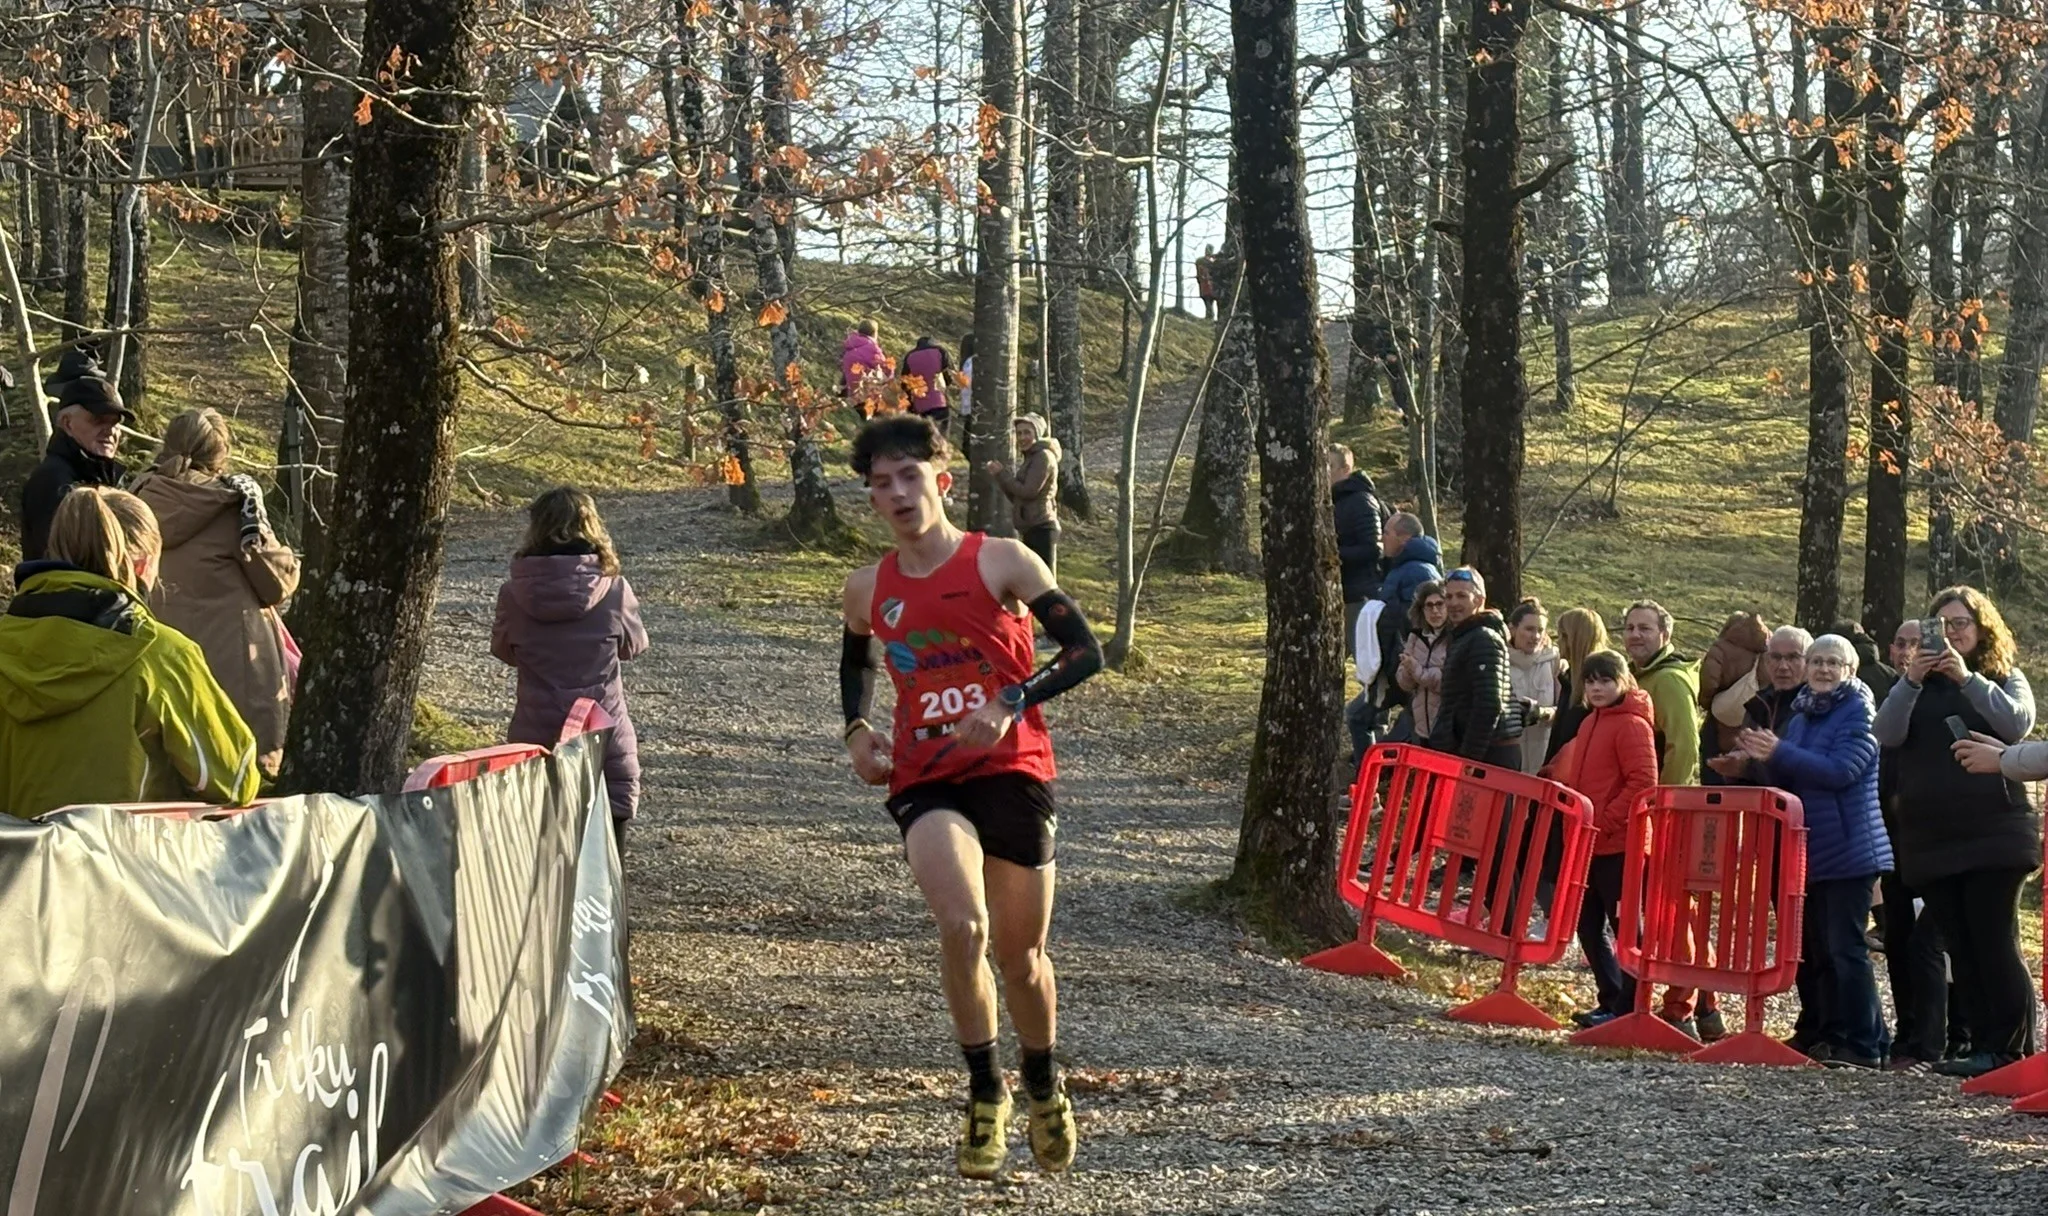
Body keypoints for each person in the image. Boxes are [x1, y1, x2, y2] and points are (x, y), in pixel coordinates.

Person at [839, 414, 1104, 1179]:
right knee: (963, 926)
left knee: (1022, 959)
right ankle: (986, 1091)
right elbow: (856, 664)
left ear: (942, 481)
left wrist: (1010, 700)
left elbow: (1085, 651)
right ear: (872, 499)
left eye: (909, 476)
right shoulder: (867, 588)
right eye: (882, 484)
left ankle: (1043, 1082)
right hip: (926, 777)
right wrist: (857, 731)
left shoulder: (1003, 561)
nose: (898, 493)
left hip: (1014, 770)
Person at [0, 487, 259, 817]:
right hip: (120, 850)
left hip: (15, 849)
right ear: (141, 567)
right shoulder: (160, 653)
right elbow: (236, 781)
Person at [1875, 585, 2038, 1079]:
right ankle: (1983, 1046)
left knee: (1994, 940)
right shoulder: (1915, 685)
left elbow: (2017, 724)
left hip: (1994, 833)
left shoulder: (2003, 676)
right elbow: (1886, 732)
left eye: (1960, 624)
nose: (1949, 634)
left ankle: (2012, 1050)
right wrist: (1911, 679)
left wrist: (1966, 678)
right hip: (1932, 838)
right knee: (1961, 947)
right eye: (1940, 626)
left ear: (1982, 629)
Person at [1731, 634, 1893, 1068]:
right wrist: (1752, 762)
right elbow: (1790, 773)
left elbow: (1842, 771)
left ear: (1850, 671)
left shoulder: (1859, 711)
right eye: (1817, 661)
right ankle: (1847, 1036)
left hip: (1849, 847)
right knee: (1821, 949)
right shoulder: (1804, 713)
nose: (1822, 670)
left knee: (1846, 950)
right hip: (1811, 849)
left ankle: (1864, 1046)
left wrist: (1779, 750)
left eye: (1832, 663)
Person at [132, 409, 302, 777]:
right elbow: (277, 583)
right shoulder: (235, 507)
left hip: (158, 670)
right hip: (234, 678)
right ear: (221, 455)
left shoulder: (135, 503)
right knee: (240, 777)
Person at [491, 487, 650, 845]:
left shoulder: (512, 595)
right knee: (608, 863)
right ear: (591, 525)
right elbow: (633, 647)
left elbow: (504, 651)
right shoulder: (614, 590)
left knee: (539, 859)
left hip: (536, 741)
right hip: (602, 736)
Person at [1620, 598, 1721, 1041]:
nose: (1635, 635)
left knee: (1674, 912)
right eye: (1629, 628)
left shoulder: (1669, 682)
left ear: (1665, 634)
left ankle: (1680, 1009)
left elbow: (1684, 747)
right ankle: (1707, 1006)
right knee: (1677, 912)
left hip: (1673, 813)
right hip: (1657, 810)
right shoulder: (1638, 676)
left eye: (1645, 628)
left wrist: (1664, 805)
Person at [1542, 649, 1656, 1028]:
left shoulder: (1633, 725)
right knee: (1587, 924)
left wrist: (1603, 821)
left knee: (1625, 926)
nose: (1597, 688)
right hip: (1587, 840)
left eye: (1605, 680)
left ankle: (1632, 1004)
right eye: (1590, 681)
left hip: (1620, 843)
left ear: (1623, 681)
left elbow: (1643, 782)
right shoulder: (1590, 722)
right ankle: (1611, 997)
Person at [1880, 618, 1963, 1069]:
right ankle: (1910, 1032)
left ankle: (1952, 1036)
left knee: (1937, 941)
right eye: (1901, 643)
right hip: (1895, 841)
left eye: (1918, 642)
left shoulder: (1947, 696)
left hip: (1940, 838)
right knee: (1898, 939)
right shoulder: (1892, 697)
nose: (1909, 651)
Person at [21, 375, 131, 561]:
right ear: (67, 423)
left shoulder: (103, 474)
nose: (110, 431)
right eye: (98, 420)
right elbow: (61, 557)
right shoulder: (53, 481)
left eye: (115, 423)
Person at [1430, 568, 1521, 768]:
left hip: (1489, 755)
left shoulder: (1482, 638)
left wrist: (1469, 760)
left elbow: (1489, 703)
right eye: (1449, 597)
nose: (1453, 603)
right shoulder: (1464, 637)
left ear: (1479, 600)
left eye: (1462, 596)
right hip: (1479, 750)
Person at [1703, 625, 1811, 782]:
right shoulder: (1758, 704)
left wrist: (1749, 768)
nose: (1783, 666)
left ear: (1808, 662)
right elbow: (1746, 755)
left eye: (1793, 657)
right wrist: (1733, 762)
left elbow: (1809, 769)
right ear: (1766, 662)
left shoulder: (1816, 707)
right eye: (1776, 657)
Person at [1328, 445, 1389, 654]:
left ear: (1345, 469)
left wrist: (1333, 556)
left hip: (1360, 595)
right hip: (1339, 592)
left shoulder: (1362, 500)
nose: (1324, 471)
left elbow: (1373, 548)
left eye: (1330, 465)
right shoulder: (1332, 501)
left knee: (1365, 659)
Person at [985, 413, 1061, 577]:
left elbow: (1028, 492)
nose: (1022, 438)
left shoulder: (1043, 457)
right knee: (1032, 580)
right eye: (1019, 433)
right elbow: (1018, 497)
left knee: (1044, 581)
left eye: (1027, 432)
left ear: (1037, 434)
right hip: (1031, 527)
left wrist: (1003, 475)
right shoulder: (1031, 457)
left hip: (1042, 527)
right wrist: (1000, 476)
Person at [1696, 611, 1768, 777]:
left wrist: (1707, 702)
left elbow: (1709, 682)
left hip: (1720, 719)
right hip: (1753, 714)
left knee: (1713, 764)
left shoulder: (1720, 648)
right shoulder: (1765, 649)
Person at [1545, 607, 1609, 762]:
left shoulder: (1600, 688)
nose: (1558, 641)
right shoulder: (1570, 681)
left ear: (1573, 640)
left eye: (1562, 636)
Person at [1391, 580, 1449, 743]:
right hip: (1421, 726)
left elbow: (1447, 683)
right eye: (1429, 606)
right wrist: (1408, 670)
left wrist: (1418, 671)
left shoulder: (1454, 638)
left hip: (1446, 727)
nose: (1434, 611)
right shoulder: (1416, 636)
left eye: (1439, 604)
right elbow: (1404, 684)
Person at [1507, 597, 1560, 774]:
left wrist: (1542, 713)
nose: (1535, 636)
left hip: (1544, 756)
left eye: (1540, 630)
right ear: (1512, 629)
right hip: (1511, 756)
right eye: (1529, 629)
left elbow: (1564, 709)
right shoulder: (1500, 660)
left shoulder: (1553, 660)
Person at [1376, 512, 1441, 623]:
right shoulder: (1403, 567)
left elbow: (1415, 619)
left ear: (1404, 538)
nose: (1382, 539)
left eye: (1386, 533)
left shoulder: (1416, 572)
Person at [902, 335, 954, 433]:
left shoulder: (910, 356)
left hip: (919, 407)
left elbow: (905, 384)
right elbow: (949, 376)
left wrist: (910, 405)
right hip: (940, 403)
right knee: (939, 438)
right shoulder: (940, 351)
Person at [841, 319, 888, 406]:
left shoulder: (851, 343)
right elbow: (886, 366)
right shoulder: (872, 348)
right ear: (874, 333)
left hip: (850, 388)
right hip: (864, 390)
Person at [1195, 245, 1217, 319]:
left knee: (1209, 300)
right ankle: (1209, 315)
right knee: (1207, 300)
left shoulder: (1211, 262)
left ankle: (1210, 315)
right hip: (1205, 283)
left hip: (1209, 284)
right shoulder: (1202, 261)